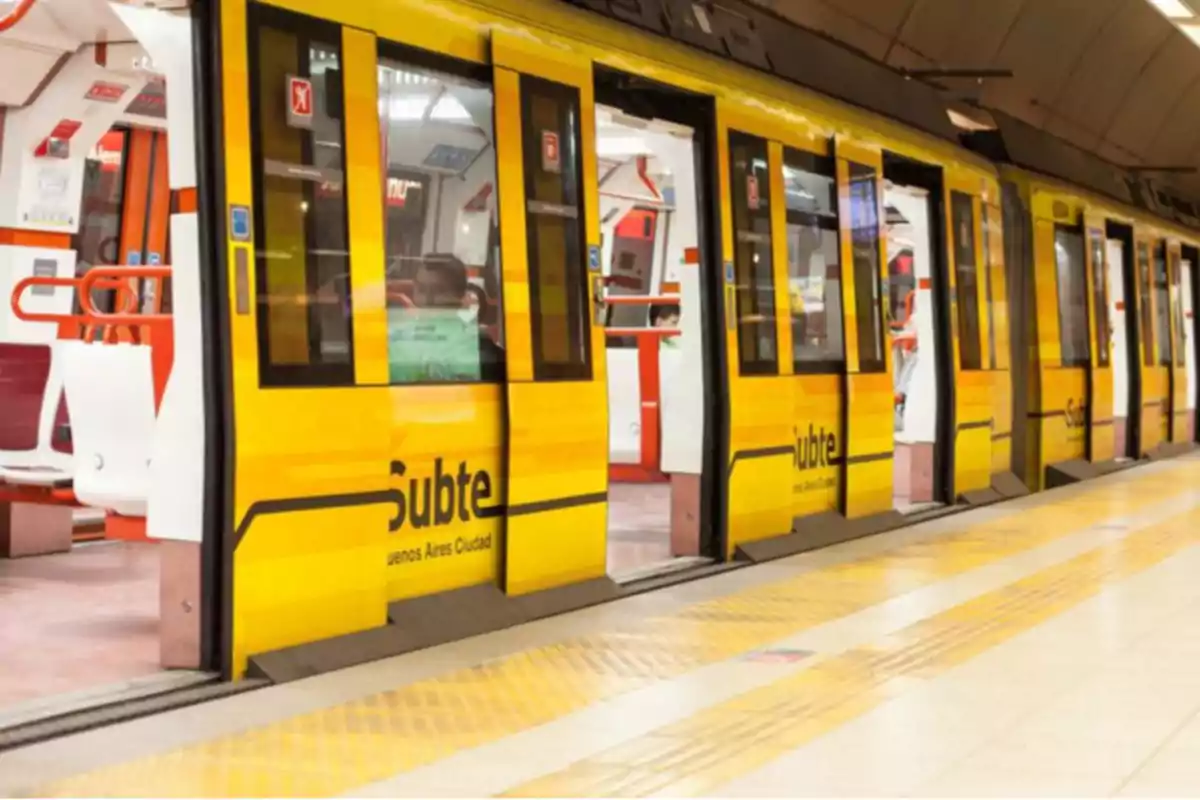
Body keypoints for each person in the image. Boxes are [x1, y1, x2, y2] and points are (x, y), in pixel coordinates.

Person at [412, 253, 505, 381]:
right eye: (422, 290)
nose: (428, 300)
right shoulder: (400, 338)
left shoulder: (479, 347)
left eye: (439, 291)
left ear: (460, 294)